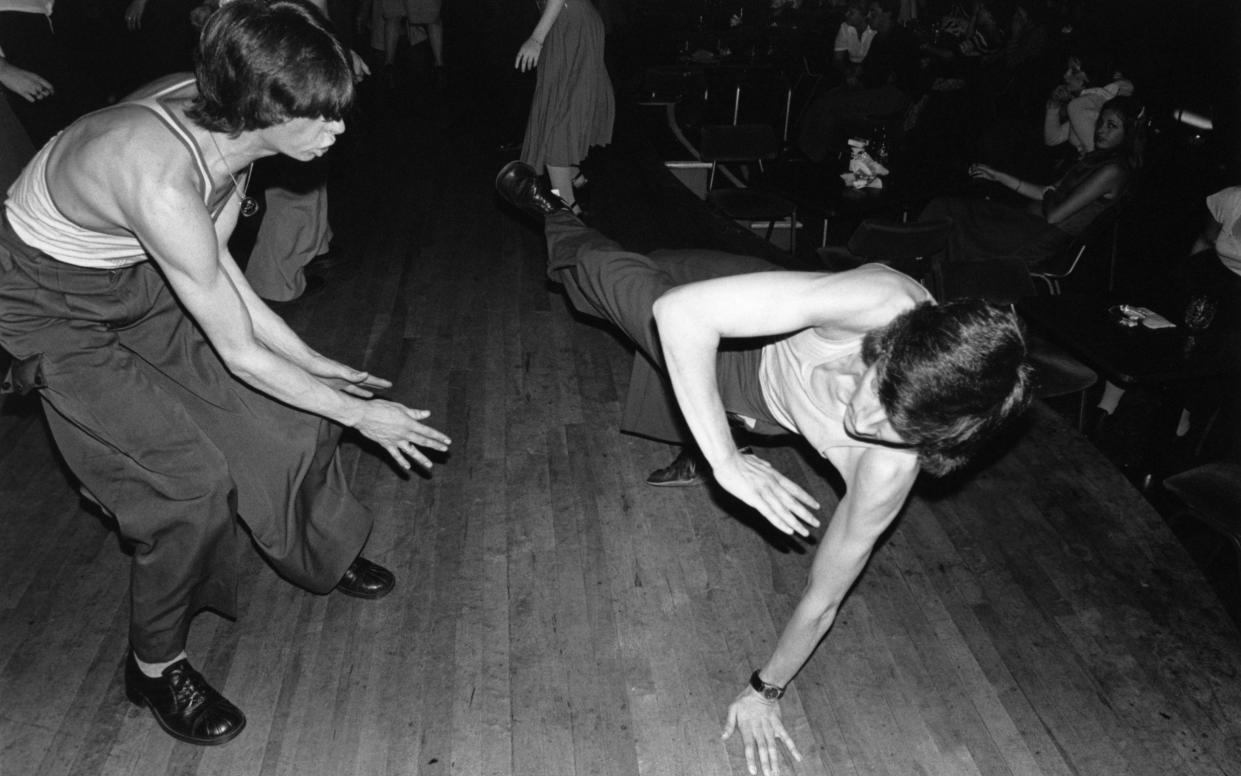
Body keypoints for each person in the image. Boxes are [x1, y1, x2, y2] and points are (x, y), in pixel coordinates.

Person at [0, 0, 451, 746]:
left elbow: (224, 286)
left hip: (143, 277)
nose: (338, 129)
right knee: (186, 490)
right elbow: (238, 348)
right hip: (50, 306)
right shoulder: (158, 176)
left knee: (289, 418)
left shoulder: (222, 125)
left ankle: (319, 548)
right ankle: (155, 667)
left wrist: (314, 368)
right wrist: (363, 414)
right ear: (258, 111)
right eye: (322, 117)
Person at [494, 160, 1032, 776]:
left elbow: (823, 599)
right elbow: (683, 314)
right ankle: (561, 212)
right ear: (894, 343)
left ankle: (559, 222)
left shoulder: (887, 475)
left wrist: (764, 690)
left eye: (896, 430)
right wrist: (727, 462)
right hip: (766, 312)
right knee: (631, 275)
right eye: (878, 390)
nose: (863, 420)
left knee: (625, 296)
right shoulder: (879, 299)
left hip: (758, 399)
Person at [921, 94, 1143, 280]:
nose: (1101, 130)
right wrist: (997, 175)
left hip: (1039, 237)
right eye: (1101, 123)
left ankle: (935, 289)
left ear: (1129, 133)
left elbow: (1055, 215)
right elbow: (1044, 192)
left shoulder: (1115, 170)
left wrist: (1048, 194)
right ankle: (923, 277)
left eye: (1111, 126)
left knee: (954, 222)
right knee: (946, 207)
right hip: (1027, 223)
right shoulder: (1096, 160)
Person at [514, 0, 615, 214]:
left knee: (556, 122)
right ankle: (571, 175)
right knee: (560, 108)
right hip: (566, 22)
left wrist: (536, 39)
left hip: (570, 25)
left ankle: (569, 209)